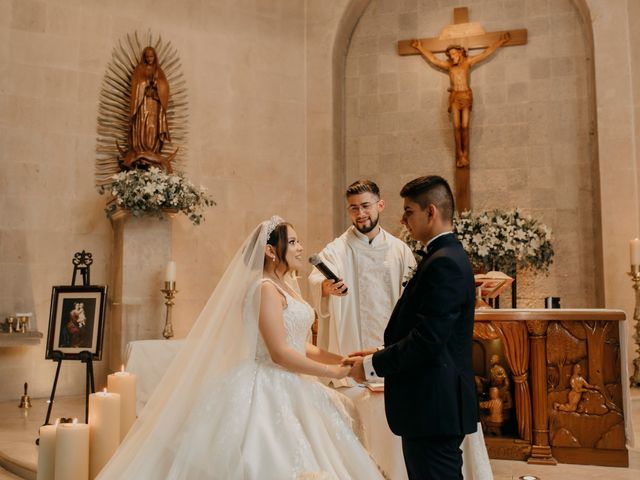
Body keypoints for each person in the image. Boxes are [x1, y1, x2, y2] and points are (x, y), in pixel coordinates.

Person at [97, 216, 384, 479]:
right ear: (271, 251)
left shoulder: (285, 286)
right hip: (267, 383)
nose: (300, 248)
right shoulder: (264, 289)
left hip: (294, 382)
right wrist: (332, 369)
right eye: (293, 242)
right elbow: (280, 352)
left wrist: (343, 359)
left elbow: (301, 344)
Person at [346, 176, 479, 479]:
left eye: (408, 211)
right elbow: (428, 331)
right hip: (432, 405)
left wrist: (371, 365)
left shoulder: (443, 262)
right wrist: (383, 351)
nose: (403, 219)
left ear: (430, 211)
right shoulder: (443, 255)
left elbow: (427, 341)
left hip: (432, 405)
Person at [308, 179, 416, 362]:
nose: (360, 213)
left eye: (366, 206)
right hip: (351, 345)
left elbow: (413, 297)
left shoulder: (400, 250)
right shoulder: (335, 250)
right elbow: (317, 280)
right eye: (354, 208)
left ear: (380, 205)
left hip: (392, 347)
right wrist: (326, 288)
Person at [411, 34, 509, 167]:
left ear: (460, 52)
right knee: (456, 127)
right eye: (450, 55)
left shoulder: (468, 62)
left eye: (453, 53)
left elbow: (485, 53)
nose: (451, 56)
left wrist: (501, 41)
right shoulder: (449, 66)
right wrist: (420, 47)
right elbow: (433, 59)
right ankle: (460, 155)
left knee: (465, 126)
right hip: (455, 97)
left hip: (466, 96)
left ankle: (465, 155)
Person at [121, 46, 172, 171]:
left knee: (152, 126)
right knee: (142, 123)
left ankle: (152, 149)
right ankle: (140, 149)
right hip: (142, 104)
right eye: (147, 56)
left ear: (155, 57)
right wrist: (145, 83)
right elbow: (136, 85)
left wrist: (157, 85)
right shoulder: (139, 69)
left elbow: (164, 87)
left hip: (154, 103)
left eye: (151, 56)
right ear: (144, 57)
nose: (149, 59)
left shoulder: (159, 71)